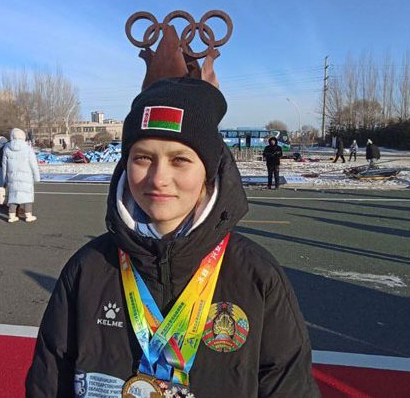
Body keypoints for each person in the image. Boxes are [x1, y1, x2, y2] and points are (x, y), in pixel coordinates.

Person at [26, 78, 319, 397]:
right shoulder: (87, 269)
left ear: (208, 171)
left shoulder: (257, 275)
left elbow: (289, 386)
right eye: (143, 158)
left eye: (179, 159)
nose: (159, 178)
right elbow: (48, 382)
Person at [2, 128, 40, 223]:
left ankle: (11, 216)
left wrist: (4, 178)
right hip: (26, 177)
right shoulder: (27, 148)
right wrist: (37, 177)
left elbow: (4, 165)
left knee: (13, 196)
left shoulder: (7, 149)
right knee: (27, 196)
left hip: (12, 177)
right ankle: (28, 215)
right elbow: (33, 164)